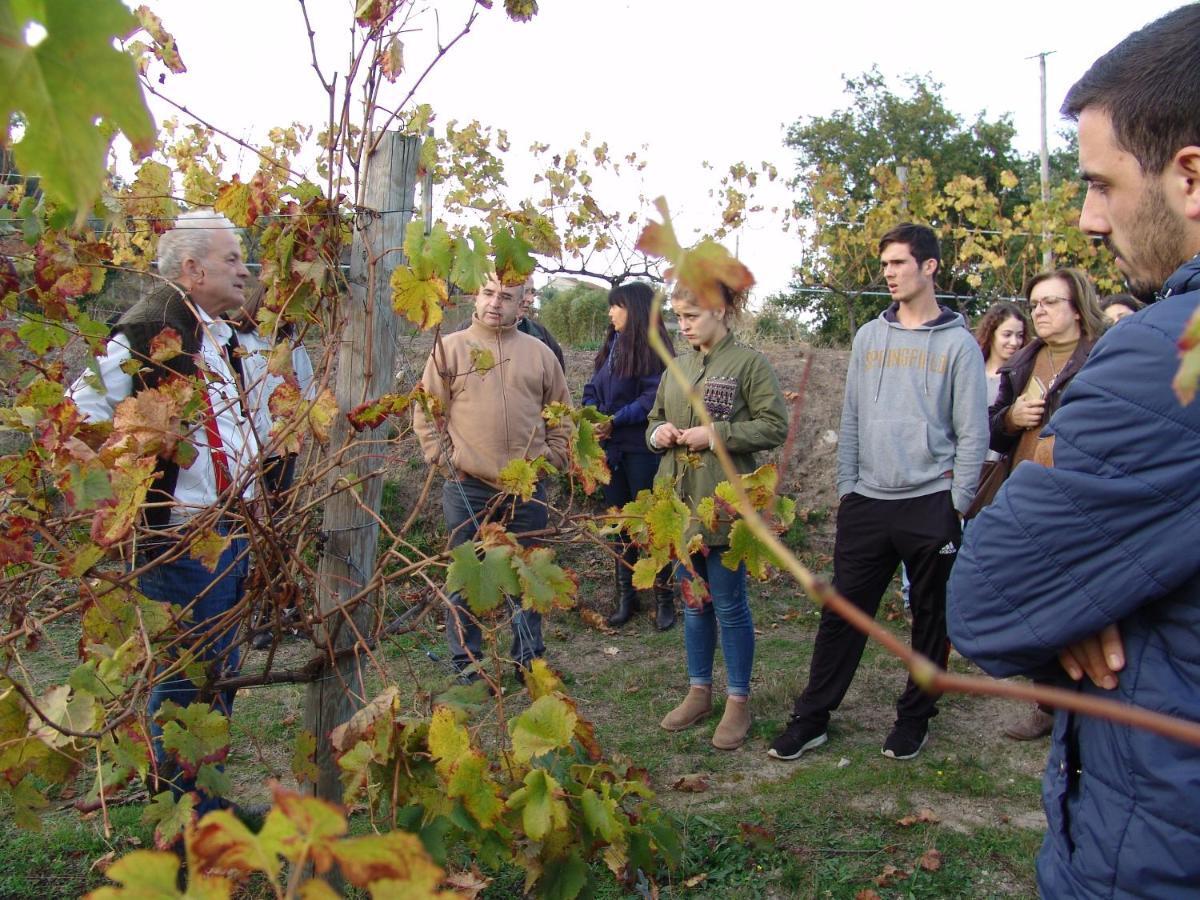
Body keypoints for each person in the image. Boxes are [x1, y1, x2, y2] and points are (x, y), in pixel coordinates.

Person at [948, 7, 1200, 894]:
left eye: (1101, 183)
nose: (1091, 220)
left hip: (1161, 842)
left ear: (1190, 176)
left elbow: (985, 601)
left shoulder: (1172, 351)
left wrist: (1069, 595)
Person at [769, 223, 988, 763]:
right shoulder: (869, 336)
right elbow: (853, 416)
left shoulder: (958, 345)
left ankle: (915, 718)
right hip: (868, 500)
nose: (887, 273)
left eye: (898, 263)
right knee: (843, 614)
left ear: (929, 266)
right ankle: (812, 718)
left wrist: (954, 504)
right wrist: (848, 489)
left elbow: (973, 433)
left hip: (929, 503)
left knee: (931, 617)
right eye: (884, 264)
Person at [68, 209, 256, 816]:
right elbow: (79, 418)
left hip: (234, 533)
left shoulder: (223, 338)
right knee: (184, 684)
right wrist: (119, 497)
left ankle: (205, 808)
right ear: (192, 268)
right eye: (231, 259)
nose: (244, 269)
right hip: (179, 540)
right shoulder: (147, 331)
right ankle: (181, 824)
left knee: (218, 675)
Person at [648, 282, 788, 751]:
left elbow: (774, 426)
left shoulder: (749, 364)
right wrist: (659, 433)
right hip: (680, 509)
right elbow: (652, 419)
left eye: (691, 316)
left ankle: (738, 701)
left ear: (721, 310)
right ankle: (698, 691)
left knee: (728, 605)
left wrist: (716, 434)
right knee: (694, 603)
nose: (682, 325)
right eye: (678, 316)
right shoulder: (677, 366)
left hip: (726, 507)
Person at [413, 272, 572, 684]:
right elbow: (427, 412)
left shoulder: (540, 355)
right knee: (466, 578)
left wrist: (551, 457)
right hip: (468, 485)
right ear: (475, 297)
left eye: (506, 296)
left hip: (526, 489)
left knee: (527, 574)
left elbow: (562, 416)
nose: (495, 303)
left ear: (523, 304)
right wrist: (444, 458)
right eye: (487, 292)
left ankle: (528, 661)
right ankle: (468, 663)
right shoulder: (449, 350)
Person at [986, 271, 1104, 741]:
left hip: (1081, 503)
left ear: (1077, 307)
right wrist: (1011, 418)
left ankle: (1090, 706)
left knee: (1084, 606)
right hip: (1026, 500)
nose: (1038, 311)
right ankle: (1048, 704)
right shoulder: (1022, 362)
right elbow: (994, 431)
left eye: (1050, 302)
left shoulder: (1103, 357)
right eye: (1034, 303)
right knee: (1033, 603)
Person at [582, 282, 677, 630]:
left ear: (634, 309)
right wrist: (593, 416)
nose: (610, 313)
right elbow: (592, 387)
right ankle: (628, 598)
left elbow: (652, 398)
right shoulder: (613, 345)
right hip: (612, 451)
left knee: (651, 523)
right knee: (619, 523)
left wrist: (615, 421)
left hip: (642, 451)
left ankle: (665, 598)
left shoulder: (655, 348)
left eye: (616, 306)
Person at [230, 283, 316, 650]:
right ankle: (235, 614)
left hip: (280, 452)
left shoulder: (292, 344)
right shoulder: (234, 338)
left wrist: (292, 429)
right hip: (241, 454)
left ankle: (269, 615)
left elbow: (309, 392)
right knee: (239, 534)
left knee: (275, 534)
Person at [517, 277, 565, 371]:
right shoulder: (481, 338)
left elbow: (558, 380)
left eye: (532, 292)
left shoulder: (541, 335)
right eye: (525, 291)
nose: (531, 299)